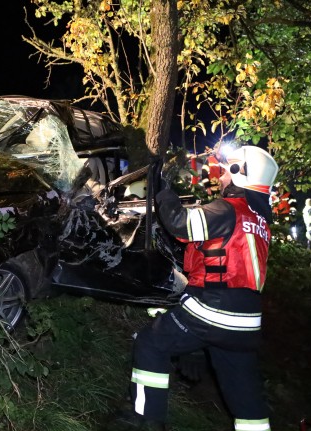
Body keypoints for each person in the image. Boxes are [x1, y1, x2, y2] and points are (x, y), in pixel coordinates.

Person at [112, 145, 278, 431]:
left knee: (151, 343)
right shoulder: (261, 221)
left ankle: (146, 419)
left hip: (212, 309)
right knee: (245, 393)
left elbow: (180, 224)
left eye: (228, 169)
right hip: (247, 323)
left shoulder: (228, 209)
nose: (222, 175)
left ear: (241, 174)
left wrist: (162, 190)